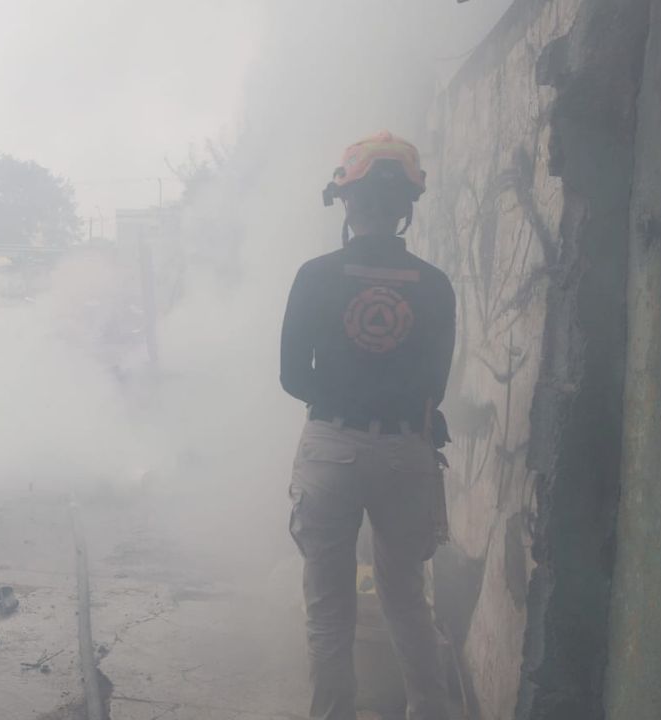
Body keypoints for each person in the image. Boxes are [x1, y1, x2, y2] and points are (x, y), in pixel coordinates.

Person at [280, 131, 455, 720]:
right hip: (407, 451)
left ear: (347, 203)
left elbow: (290, 376)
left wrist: (343, 399)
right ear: (406, 209)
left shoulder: (314, 274)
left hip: (331, 447)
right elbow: (437, 386)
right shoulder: (435, 286)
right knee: (407, 598)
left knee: (329, 608)